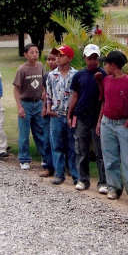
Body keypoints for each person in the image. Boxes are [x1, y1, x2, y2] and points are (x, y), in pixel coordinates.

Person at [97, 51, 128, 201]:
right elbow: (104, 100)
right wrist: (100, 121)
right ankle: (114, 187)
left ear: (113, 65)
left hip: (122, 123)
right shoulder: (106, 80)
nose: (104, 67)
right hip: (107, 122)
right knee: (110, 158)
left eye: (106, 64)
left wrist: (127, 122)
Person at [67, 44, 108, 193]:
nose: (93, 61)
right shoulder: (79, 76)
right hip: (82, 117)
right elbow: (75, 96)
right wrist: (70, 114)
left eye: (95, 58)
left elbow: (104, 97)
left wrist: (99, 82)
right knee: (81, 150)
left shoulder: (104, 74)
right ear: (84, 58)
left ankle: (103, 182)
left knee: (100, 151)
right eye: (90, 58)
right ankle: (83, 179)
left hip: (97, 117)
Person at [13, 43, 50, 171]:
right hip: (26, 103)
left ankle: (45, 157)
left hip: (38, 103)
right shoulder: (22, 70)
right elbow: (16, 89)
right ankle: (24, 159)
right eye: (31, 52)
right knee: (24, 133)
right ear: (25, 55)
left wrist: (44, 92)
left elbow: (43, 83)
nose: (34, 55)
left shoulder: (40, 66)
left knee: (40, 131)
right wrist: (19, 107)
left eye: (36, 52)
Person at [46, 45, 79, 185]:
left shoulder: (76, 75)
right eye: (56, 55)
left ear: (69, 58)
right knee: (57, 145)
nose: (58, 58)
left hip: (71, 116)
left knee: (73, 146)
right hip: (56, 114)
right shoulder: (52, 75)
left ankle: (76, 175)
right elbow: (48, 94)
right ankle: (59, 174)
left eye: (61, 55)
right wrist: (48, 109)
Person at [39, 50, 58, 177]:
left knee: (61, 141)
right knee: (47, 140)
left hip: (59, 111)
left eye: (53, 59)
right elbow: (45, 93)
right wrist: (44, 107)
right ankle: (48, 166)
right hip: (47, 111)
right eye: (49, 59)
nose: (51, 62)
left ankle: (64, 166)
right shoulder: (46, 75)